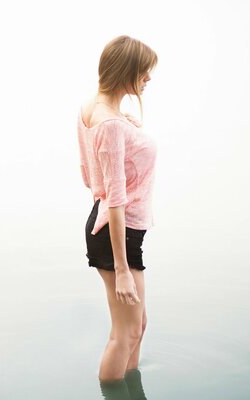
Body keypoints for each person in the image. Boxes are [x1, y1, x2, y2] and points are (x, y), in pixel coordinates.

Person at [77, 35, 158, 383]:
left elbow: (92, 170)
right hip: (116, 232)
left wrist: (123, 123)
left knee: (136, 326)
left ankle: (131, 383)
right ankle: (114, 390)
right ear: (127, 72)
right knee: (124, 333)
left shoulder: (96, 108)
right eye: (143, 72)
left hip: (118, 229)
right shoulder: (109, 125)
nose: (148, 79)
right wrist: (123, 269)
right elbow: (115, 197)